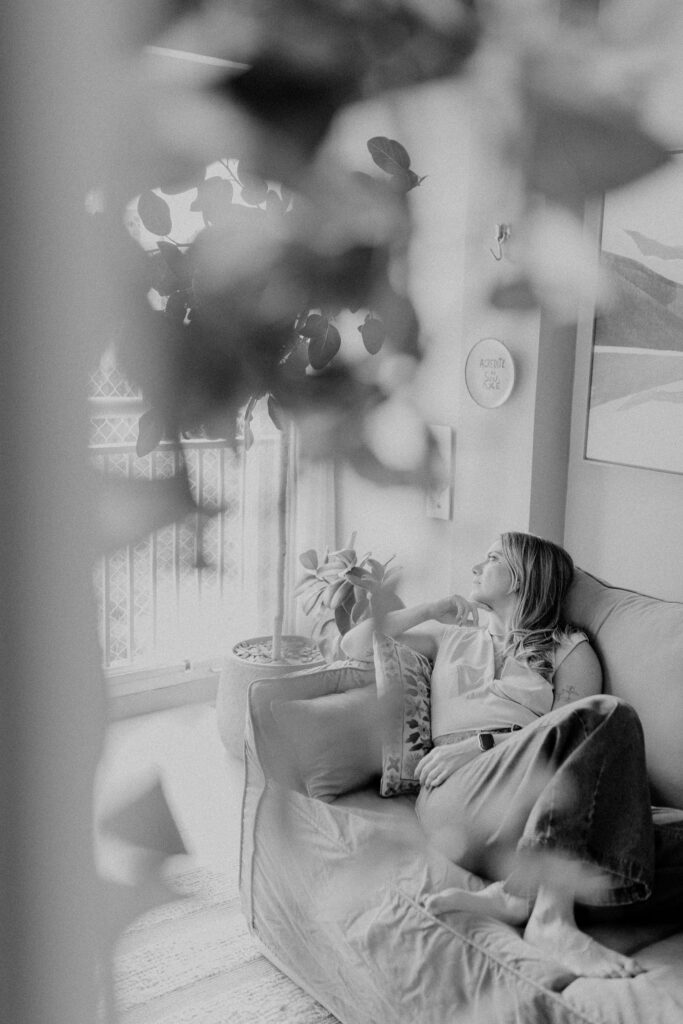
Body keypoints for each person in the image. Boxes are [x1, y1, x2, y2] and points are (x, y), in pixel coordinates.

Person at [341, 531, 656, 979]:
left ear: (521, 577)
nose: (476, 567)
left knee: (610, 735)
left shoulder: (569, 648)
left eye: (491, 558)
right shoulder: (450, 637)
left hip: (533, 800)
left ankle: (519, 893)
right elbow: (353, 645)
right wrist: (430, 608)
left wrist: (483, 744)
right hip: (453, 794)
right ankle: (549, 918)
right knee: (611, 713)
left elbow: (575, 742)